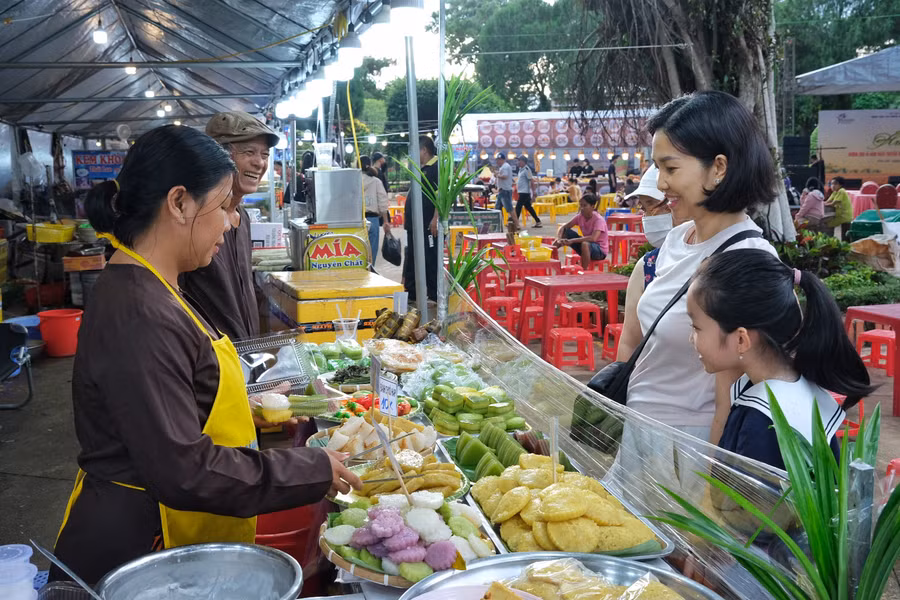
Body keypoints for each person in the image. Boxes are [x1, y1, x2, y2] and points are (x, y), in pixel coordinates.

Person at [52, 126, 362, 585]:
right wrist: (309, 468)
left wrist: (240, 407)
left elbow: (168, 399)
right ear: (179, 203)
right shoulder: (140, 312)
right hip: (144, 544)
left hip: (171, 529)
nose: (231, 223)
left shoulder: (158, 285)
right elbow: (184, 471)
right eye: (221, 207)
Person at [618, 91, 779, 445]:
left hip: (686, 444)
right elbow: (636, 344)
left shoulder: (745, 259)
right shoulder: (677, 239)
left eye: (671, 168)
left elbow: (730, 396)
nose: (660, 184)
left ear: (718, 168)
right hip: (639, 429)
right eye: (657, 168)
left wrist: (713, 472)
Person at [688, 249, 874, 469]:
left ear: (741, 340)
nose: (692, 338)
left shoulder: (763, 422)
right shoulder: (797, 386)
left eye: (696, 327)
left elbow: (748, 491)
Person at [179, 111, 277, 342]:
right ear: (217, 157)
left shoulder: (243, 217)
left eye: (264, 154)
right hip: (209, 353)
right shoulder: (195, 218)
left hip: (244, 352)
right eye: (249, 152)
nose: (259, 163)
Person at [402, 135, 439, 303]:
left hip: (427, 225)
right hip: (414, 225)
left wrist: (435, 218)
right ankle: (412, 292)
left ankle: (433, 294)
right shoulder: (422, 169)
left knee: (430, 258)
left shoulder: (436, 169)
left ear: (424, 150)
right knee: (412, 257)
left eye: (415, 150)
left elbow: (441, 196)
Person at [552, 193, 608, 268]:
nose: (582, 208)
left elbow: (593, 238)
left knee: (585, 244)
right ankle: (549, 256)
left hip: (600, 251)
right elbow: (563, 227)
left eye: (585, 205)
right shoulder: (580, 217)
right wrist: (559, 239)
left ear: (592, 207)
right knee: (565, 232)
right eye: (581, 205)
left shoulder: (598, 220)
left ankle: (583, 270)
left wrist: (572, 241)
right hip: (586, 247)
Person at [361, 155, 391, 263]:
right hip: (373, 220)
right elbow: (382, 202)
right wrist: (386, 221)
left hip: (358, 221)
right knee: (371, 254)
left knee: (359, 251)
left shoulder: (354, 181)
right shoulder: (376, 181)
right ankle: (370, 270)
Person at [515, 155, 541, 228]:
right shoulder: (521, 170)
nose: (518, 162)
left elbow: (531, 181)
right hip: (521, 191)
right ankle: (538, 221)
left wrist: (534, 191)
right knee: (529, 207)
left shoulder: (527, 169)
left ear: (523, 162)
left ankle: (515, 223)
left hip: (525, 192)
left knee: (518, 207)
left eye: (519, 160)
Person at [494, 153, 516, 226]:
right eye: (497, 160)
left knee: (509, 208)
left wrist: (497, 175)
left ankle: (517, 224)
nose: (497, 161)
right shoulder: (503, 167)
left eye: (499, 160)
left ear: (502, 160)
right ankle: (498, 224)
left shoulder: (505, 166)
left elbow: (505, 176)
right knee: (497, 208)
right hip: (502, 190)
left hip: (505, 190)